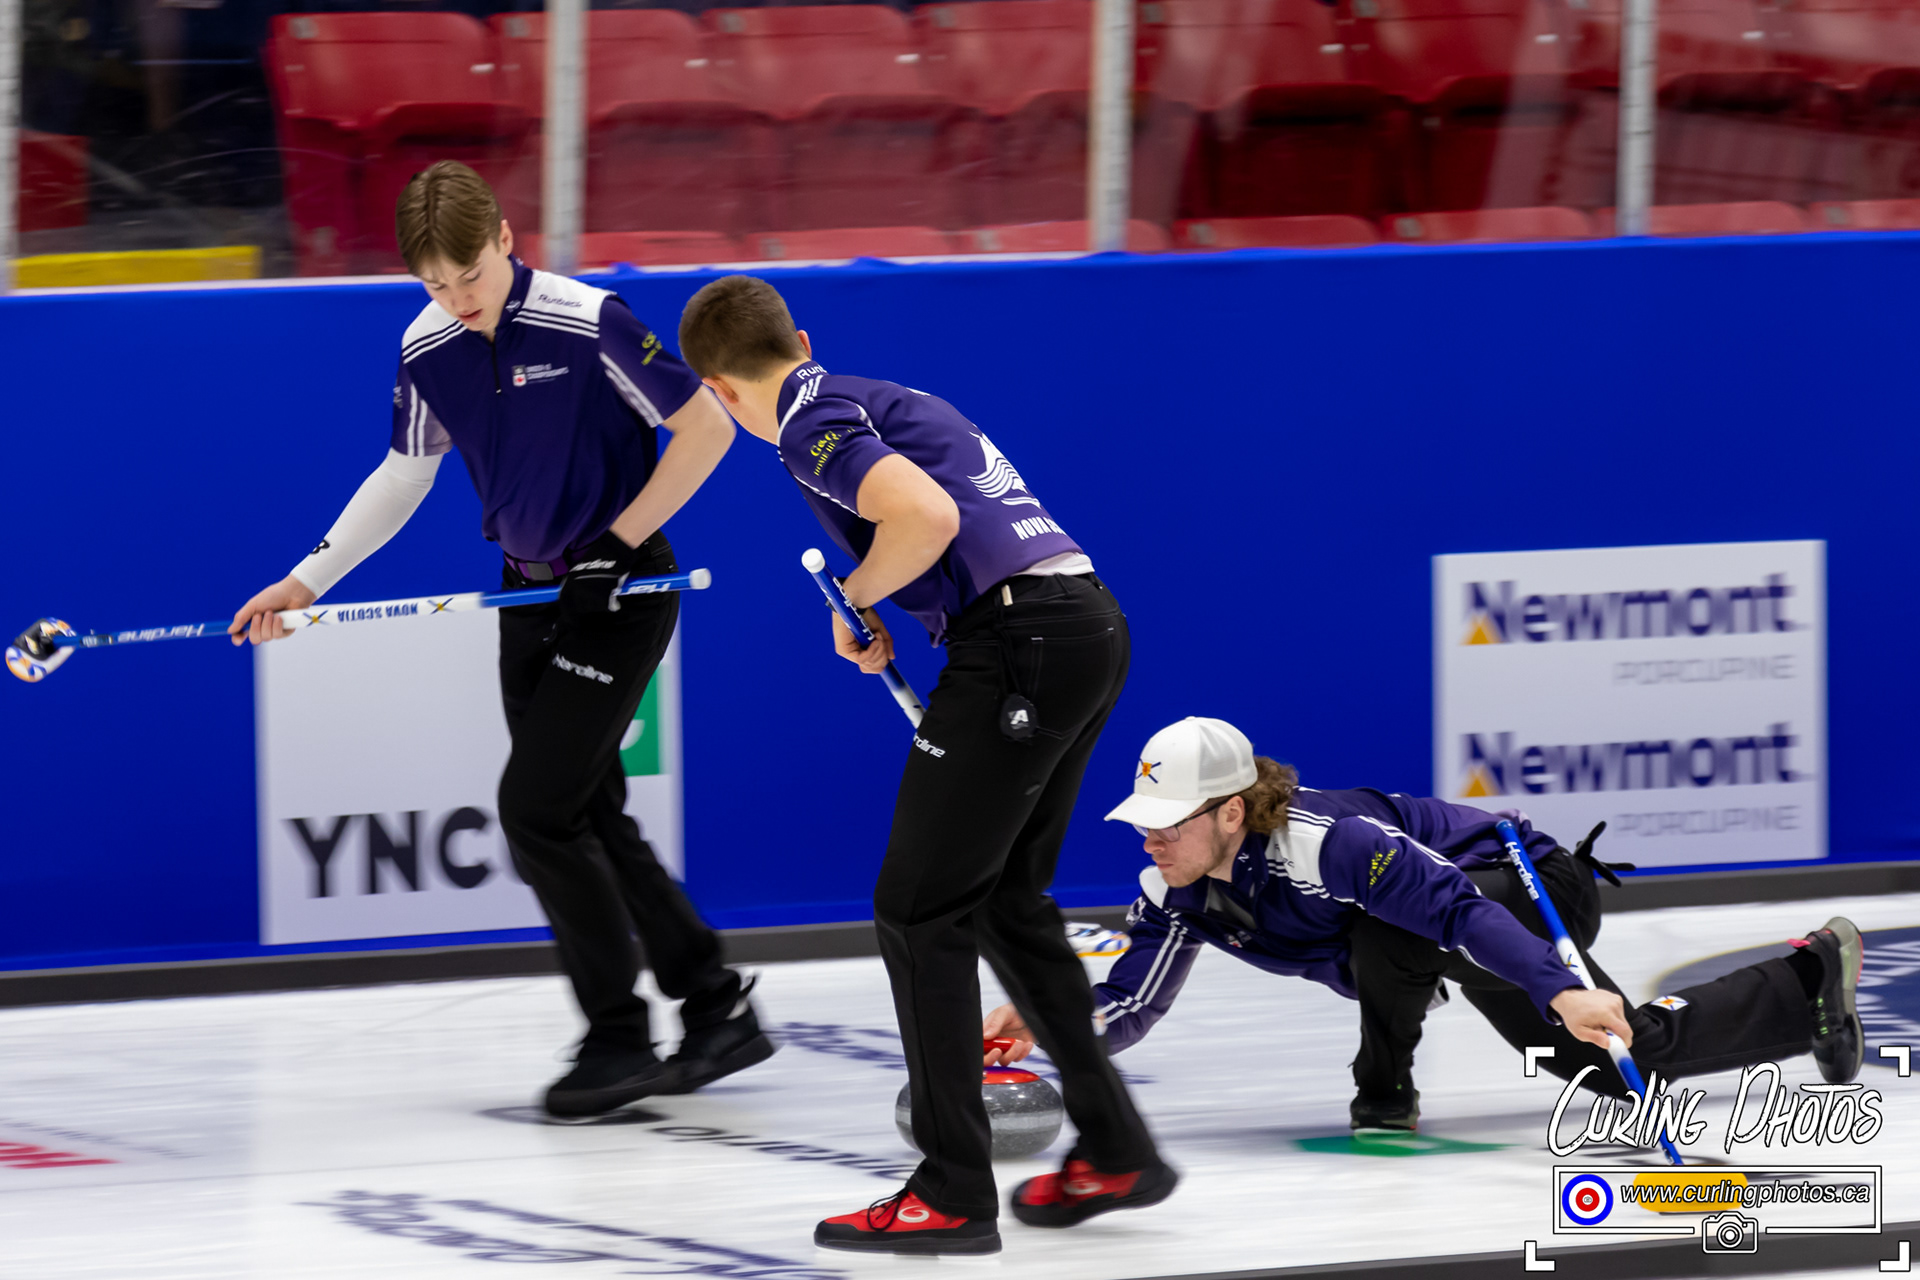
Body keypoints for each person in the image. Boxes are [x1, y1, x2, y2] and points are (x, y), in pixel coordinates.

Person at [228, 161, 772, 1117]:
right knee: (586, 809)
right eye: (435, 283)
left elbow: (705, 432)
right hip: (525, 596)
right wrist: (306, 580)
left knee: (536, 808)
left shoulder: (589, 321)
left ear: (507, 240)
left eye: (470, 274)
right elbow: (404, 475)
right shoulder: (426, 344)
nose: (457, 298)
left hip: (621, 591)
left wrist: (618, 544)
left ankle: (616, 1038)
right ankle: (716, 1005)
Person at [677, 276, 1174, 1256]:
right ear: (800, 337)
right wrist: (886, 598)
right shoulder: (875, 392)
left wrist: (856, 596)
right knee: (1005, 902)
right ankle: (1117, 1145)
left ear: (719, 391)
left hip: (1018, 645)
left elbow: (927, 517)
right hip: (1084, 624)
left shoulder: (807, 424)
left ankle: (951, 1188)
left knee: (918, 908)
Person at [984, 717, 1865, 1133]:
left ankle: (1384, 1092)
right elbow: (1130, 1007)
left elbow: (1451, 909)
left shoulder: (1326, 844)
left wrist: (1558, 990)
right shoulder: (1174, 889)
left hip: (1527, 886)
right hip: (1442, 932)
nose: (1150, 837)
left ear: (1231, 811)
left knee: (1395, 934)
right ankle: (1808, 982)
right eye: (1145, 819)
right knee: (1620, 1065)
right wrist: (1052, 1021)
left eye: (1169, 821)